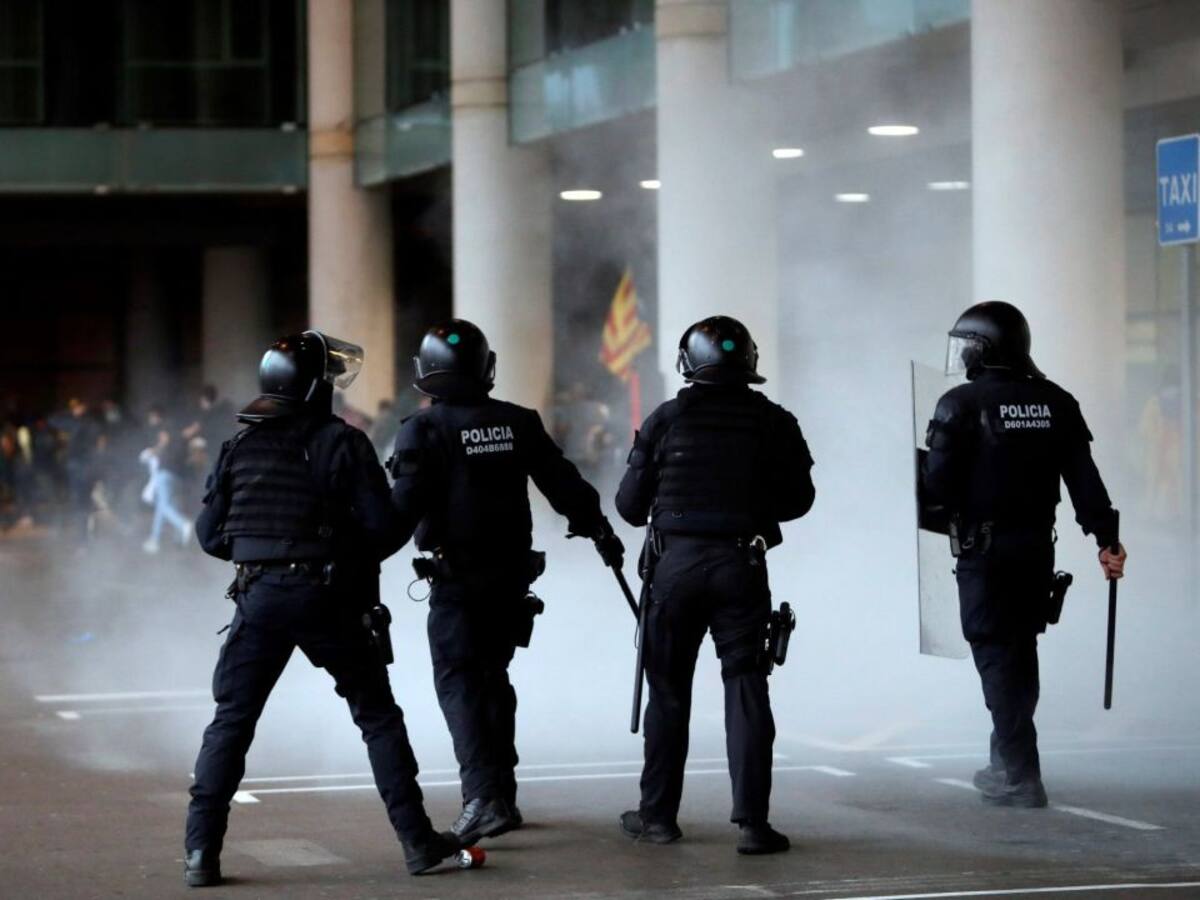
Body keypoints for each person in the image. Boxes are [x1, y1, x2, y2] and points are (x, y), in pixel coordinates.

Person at [184, 331, 464, 887]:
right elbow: (382, 530)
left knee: (232, 721)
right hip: (328, 597)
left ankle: (200, 854)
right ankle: (417, 843)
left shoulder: (240, 445)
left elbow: (211, 536)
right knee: (377, 717)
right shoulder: (343, 441)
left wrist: (264, 553)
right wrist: (408, 497)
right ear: (315, 388)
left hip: (259, 597)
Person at [388, 319, 623, 845]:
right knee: (493, 678)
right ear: (485, 367)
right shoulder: (516, 422)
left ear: (426, 371)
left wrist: (359, 547)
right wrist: (599, 530)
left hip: (456, 578)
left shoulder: (421, 430)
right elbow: (564, 483)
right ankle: (502, 796)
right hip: (511, 576)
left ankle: (482, 798)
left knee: (459, 682)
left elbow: (401, 512)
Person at [614, 316, 815, 855]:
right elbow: (800, 500)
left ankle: (657, 817)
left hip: (674, 568)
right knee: (746, 685)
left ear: (687, 362)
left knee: (667, 692)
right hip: (740, 564)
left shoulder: (665, 419)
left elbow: (629, 507)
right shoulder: (773, 420)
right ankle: (753, 825)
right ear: (749, 362)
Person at [921, 301, 1127, 808]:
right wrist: (1106, 540)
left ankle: (1021, 775)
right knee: (1020, 652)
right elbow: (1085, 481)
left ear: (986, 349)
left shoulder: (959, 404)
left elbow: (937, 488)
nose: (962, 355)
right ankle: (1004, 761)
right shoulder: (1056, 402)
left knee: (996, 656)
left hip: (984, 552)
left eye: (968, 345)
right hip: (1035, 551)